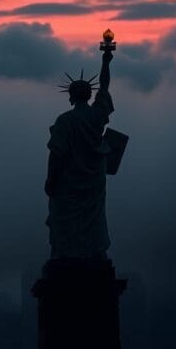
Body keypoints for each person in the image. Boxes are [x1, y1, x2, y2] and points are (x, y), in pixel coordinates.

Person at [45, 50, 114, 259]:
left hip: (68, 186)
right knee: (93, 219)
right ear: (89, 96)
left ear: (71, 96)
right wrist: (105, 62)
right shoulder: (97, 116)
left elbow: (56, 154)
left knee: (65, 223)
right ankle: (94, 253)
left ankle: (66, 255)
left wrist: (50, 179)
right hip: (93, 182)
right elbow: (104, 87)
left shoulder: (65, 121)